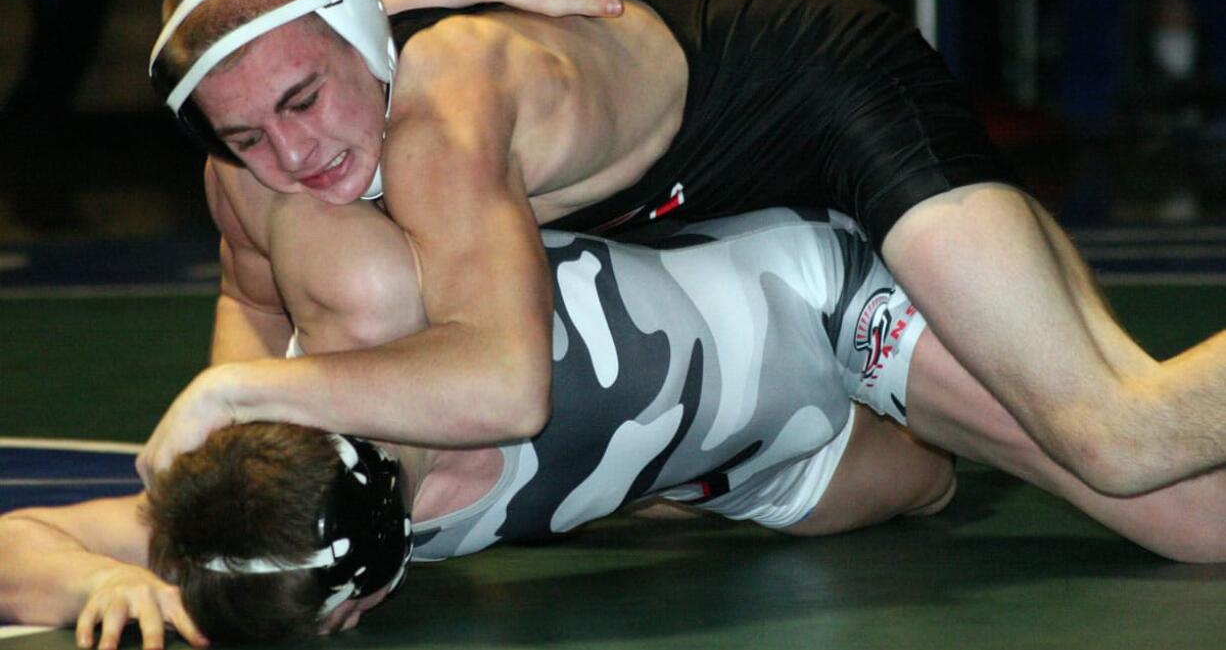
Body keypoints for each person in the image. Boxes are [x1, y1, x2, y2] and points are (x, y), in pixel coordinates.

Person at [139, 0, 1226, 497]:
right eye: (245, 137)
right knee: (1193, 526)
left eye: (301, 102)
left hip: (825, 104)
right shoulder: (272, 154)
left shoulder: (445, 110)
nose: (294, 155)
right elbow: (252, 288)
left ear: (362, 38)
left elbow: (508, 388)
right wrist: (236, 455)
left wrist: (238, 387)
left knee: (1117, 435)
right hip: (737, 220)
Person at [5, 194, 1225, 648]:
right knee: (932, 489)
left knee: (1179, 513)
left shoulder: (370, 296)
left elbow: (298, 146)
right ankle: (984, 392)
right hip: (757, 466)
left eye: (343, 625)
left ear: (367, 582)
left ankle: (995, 323)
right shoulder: (280, 509)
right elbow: (17, 546)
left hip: (826, 292)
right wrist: (96, 588)